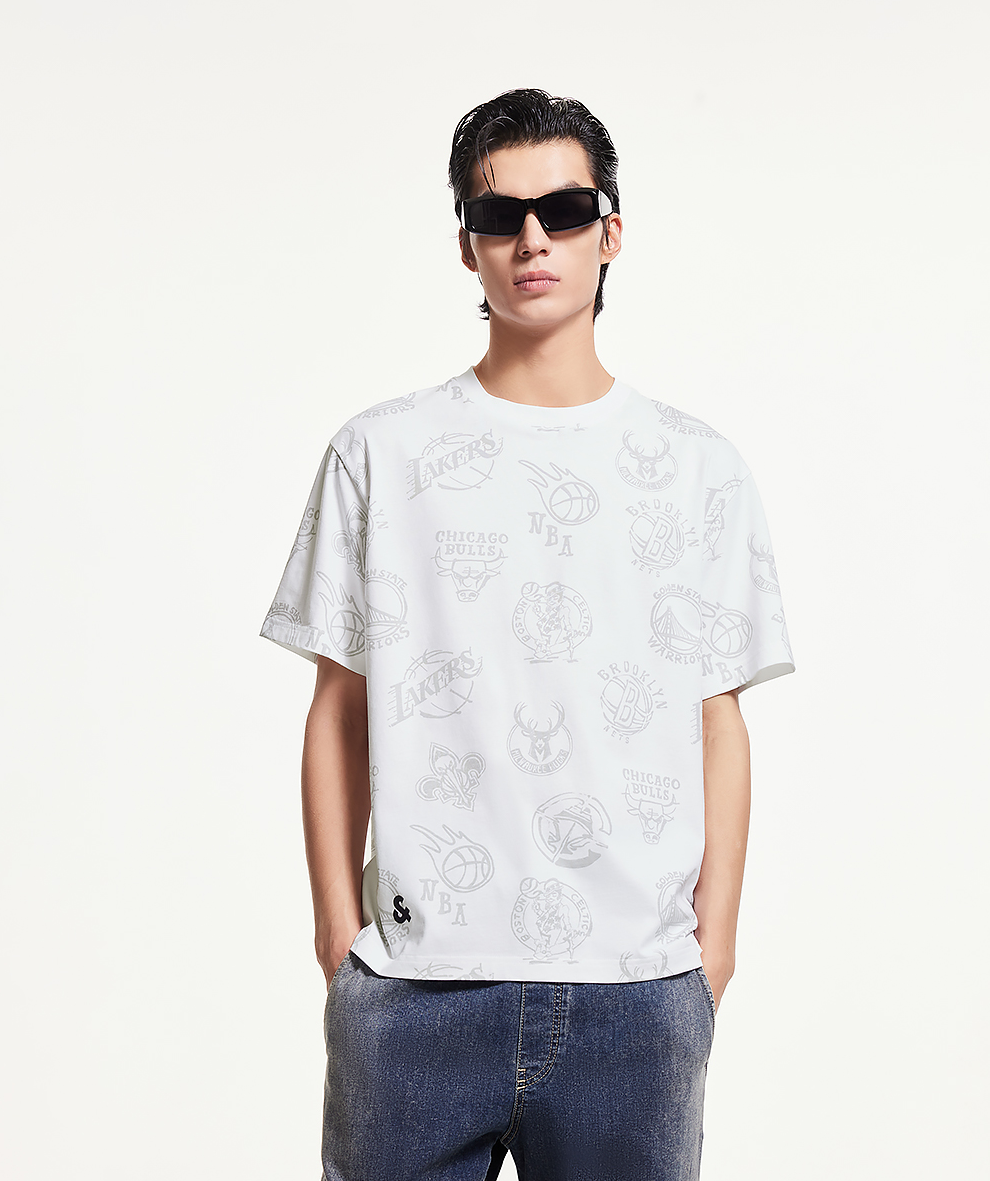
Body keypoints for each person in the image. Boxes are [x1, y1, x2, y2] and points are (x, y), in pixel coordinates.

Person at [259, 87, 795, 1181]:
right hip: (415, 993)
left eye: (565, 209)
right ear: (468, 245)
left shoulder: (698, 469)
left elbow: (718, 719)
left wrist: (713, 955)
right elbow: (337, 711)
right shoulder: (380, 454)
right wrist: (338, 940)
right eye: (500, 216)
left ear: (611, 231)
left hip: (636, 996)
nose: (534, 239)